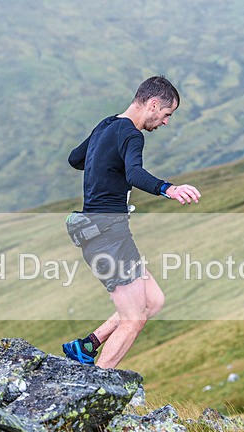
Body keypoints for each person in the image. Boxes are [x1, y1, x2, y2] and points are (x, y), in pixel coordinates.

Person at [62, 76, 201, 369]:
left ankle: (86, 345)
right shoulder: (132, 135)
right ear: (153, 105)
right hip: (108, 235)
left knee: (154, 301)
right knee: (134, 318)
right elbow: (134, 174)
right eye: (166, 114)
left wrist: (104, 159)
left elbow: (76, 159)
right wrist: (169, 189)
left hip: (103, 232)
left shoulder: (107, 125)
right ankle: (95, 383)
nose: (165, 122)